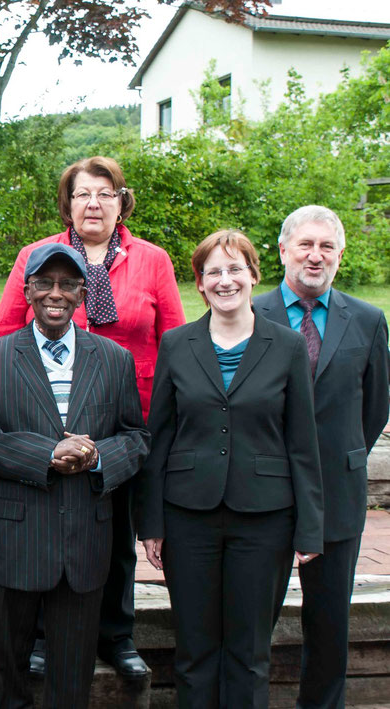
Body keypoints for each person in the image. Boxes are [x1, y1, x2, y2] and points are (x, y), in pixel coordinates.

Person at [0, 156, 184, 678]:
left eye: (105, 192)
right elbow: (5, 331)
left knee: (115, 533)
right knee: (48, 529)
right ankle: (40, 634)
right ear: (68, 203)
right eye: (82, 193)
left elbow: (176, 340)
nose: (93, 202)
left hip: (124, 416)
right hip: (43, 414)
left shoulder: (151, 260)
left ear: (122, 200)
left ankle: (117, 636)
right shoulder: (37, 257)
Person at [137, 229, 323, 708]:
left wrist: (310, 528)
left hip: (264, 518)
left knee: (249, 652)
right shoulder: (177, 343)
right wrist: (151, 523)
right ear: (199, 284)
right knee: (195, 651)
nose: (225, 280)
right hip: (187, 517)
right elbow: (158, 437)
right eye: (213, 272)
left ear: (253, 275)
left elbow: (302, 443)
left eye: (234, 269)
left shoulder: (285, 346)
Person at [0, 243, 149, 708]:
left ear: (82, 293)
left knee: (72, 685)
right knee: (3, 680)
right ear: (27, 290)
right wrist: (48, 453)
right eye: (45, 283)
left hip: (84, 549)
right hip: (13, 544)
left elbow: (135, 437)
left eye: (68, 284)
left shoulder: (114, 359)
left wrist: (95, 458)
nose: (56, 293)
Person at [254, 205, 389, 708]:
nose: (316, 256)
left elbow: (374, 407)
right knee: (252, 620)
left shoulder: (370, 320)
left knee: (329, 622)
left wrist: (337, 452)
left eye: (326, 246)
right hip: (262, 489)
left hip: (339, 489)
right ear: (284, 249)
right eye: (305, 245)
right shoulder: (251, 313)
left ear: (340, 254)